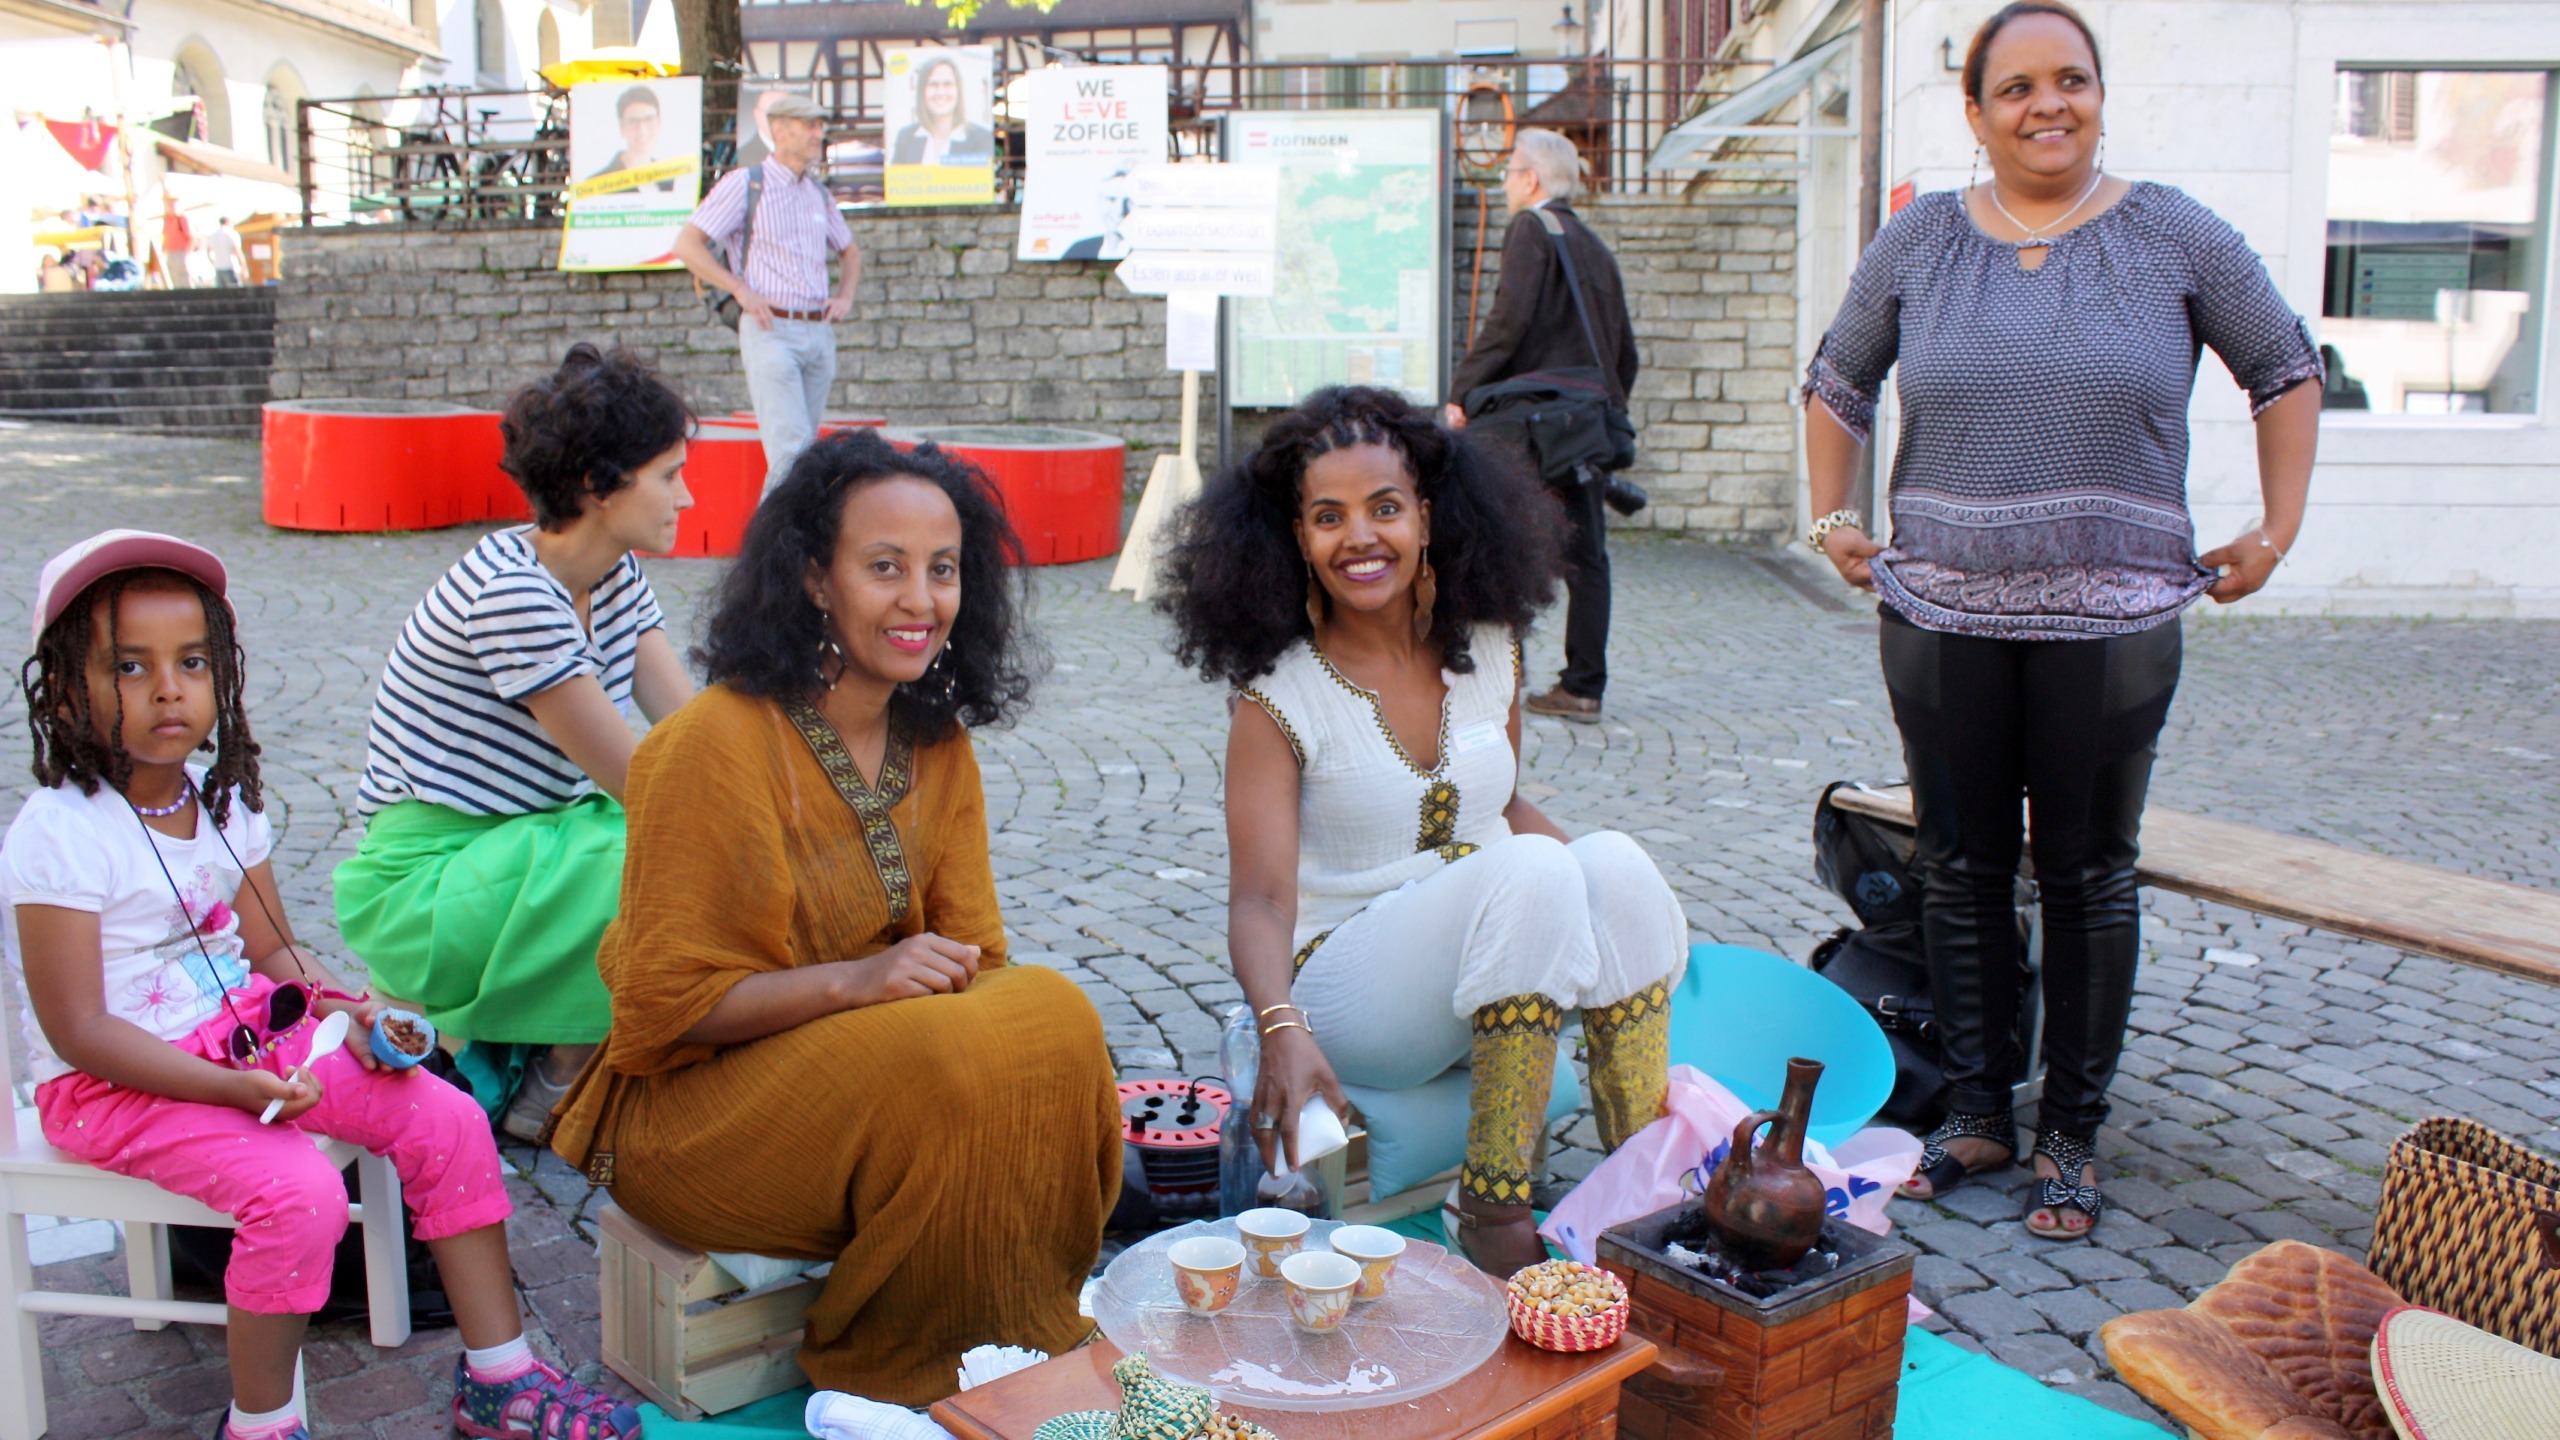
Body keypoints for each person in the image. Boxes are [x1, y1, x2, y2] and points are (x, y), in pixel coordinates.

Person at [1800, 0, 2320, 1240]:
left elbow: (2285, 368)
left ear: (2097, 94)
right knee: (1960, 865)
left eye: (2070, 80)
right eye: (2018, 87)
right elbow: (1836, 381)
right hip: (1940, 613)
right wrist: (1833, 520)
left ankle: (2071, 1134)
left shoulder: (2173, 233)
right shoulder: (1921, 241)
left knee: (2087, 874)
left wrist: (2275, 531)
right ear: (1976, 112)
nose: (2049, 104)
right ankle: (1978, 1109)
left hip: (2114, 621)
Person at [5, 530, 638, 1440]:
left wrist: (352, 1009)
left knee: (449, 1117)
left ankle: (499, 1378)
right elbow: (79, 1029)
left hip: (246, 1041)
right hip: (116, 1084)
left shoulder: (223, 799)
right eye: (130, 667)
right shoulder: (60, 831)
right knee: (298, 1192)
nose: (168, 689)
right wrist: (231, 1089)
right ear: (67, 690)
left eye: (192, 662)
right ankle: (260, 1425)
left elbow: (272, 952)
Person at [548, 430, 1121, 1403]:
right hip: (693, 1119)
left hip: (883, 1079)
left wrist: (922, 998)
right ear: (815, 578)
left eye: (943, 570)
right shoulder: (710, 743)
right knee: (938, 1057)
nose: (920, 600)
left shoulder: (935, 744)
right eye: (884, 567)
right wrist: (858, 982)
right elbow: (664, 1011)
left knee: (1056, 1014)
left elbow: (979, 964)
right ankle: (907, 1380)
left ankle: (1016, 1348)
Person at [1158, 387, 1690, 1275]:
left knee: (1615, 862)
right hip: (1349, 988)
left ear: (1428, 517)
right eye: (1329, 517)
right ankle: (1493, 1207)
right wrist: (1282, 1027)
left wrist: (1617, 913)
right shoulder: (1278, 697)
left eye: (1385, 508)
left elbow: (1503, 806)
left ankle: (1646, 1182)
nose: (1360, 538)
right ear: (1297, 538)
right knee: (1536, 870)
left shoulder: (1490, 646)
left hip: (1493, 949)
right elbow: (1259, 899)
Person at [334, 345, 697, 1140]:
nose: (687, 496)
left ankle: (579, 1049)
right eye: (669, 475)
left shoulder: (611, 573)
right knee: (658, 849)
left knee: (674, 835)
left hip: (522, 854)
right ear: (599, 486)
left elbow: (690, 734)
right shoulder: (513, 596)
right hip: (428, 883)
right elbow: (647, 784)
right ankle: (556, 1080)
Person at [1444, 129, 1637, 727]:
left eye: (1509, 173)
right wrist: (1600, 412)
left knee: (1502, 543)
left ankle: (1506, 673)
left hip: (1530, 426)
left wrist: (1461, 392)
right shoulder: (1594, 246)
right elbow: (1626, 353)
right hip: (1583, 425)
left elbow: (1509, 321)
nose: (1505, 184)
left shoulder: (1531, 228)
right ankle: (1584, 687)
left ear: (1530, 179)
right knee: (1588, 558)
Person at [675, 93, 862, 490]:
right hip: (770, 329)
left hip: (817, 332)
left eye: (820, 125)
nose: (819, 134)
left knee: (804, 454)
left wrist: (845, 296)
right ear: (780, 129)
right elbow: (687, 245)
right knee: (790, 454)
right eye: (809, 125)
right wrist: (739, 289)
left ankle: (793, 529)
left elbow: (849, 251)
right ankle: (779, 532)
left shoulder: (817, 193)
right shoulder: (746, 184)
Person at [887, 57, 994, 167]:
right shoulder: (905, 136)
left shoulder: (981, 138)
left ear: (958, 90)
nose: (941, 92)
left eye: (947, 84)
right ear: (922, 91)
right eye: (933, 84)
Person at [584, 86, 675, 193]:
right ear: (621, 128)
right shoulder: (596, 184)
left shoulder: (672, 180)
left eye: (648, 119)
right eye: (633, 121)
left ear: (659, 123)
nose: (642, 129)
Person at [158, 189, 194, 290]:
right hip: (170, 253)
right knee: (172, 279)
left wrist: (186, 254)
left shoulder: (181, 218)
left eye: (172, 202)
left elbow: (191, 238)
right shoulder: (167, 219)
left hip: (180, 253)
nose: (170, 205)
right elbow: (164, 236)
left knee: (183, 280)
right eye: (168, 203)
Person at [202, 218, 246, 286]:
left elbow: (208, 251)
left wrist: (213, 262)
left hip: (218, 268)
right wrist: (244, 267)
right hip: (231, 267)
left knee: (221, 291)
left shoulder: (213, 235)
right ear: (227, 222)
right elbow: (237, 251)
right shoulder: (232, 234)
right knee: (235, 291)